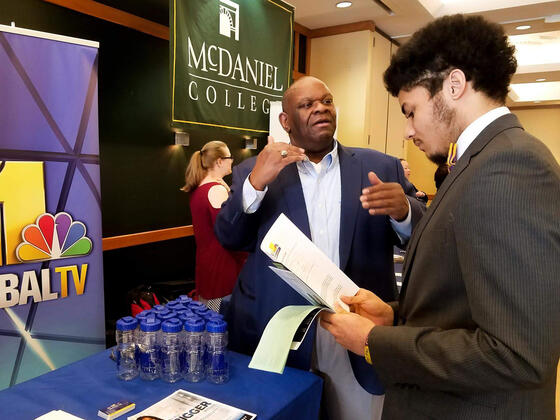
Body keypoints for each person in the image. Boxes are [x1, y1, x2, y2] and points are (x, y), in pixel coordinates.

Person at [320, 14, 560, 419]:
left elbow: (517, 352)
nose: (408, 131)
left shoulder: (508, 166)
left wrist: (374, 341)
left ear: (453, 85)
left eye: (410, 111)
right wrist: (394, 315)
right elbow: (461, 306)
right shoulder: (476, 162)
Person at [215, 76, 426, 420]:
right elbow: (228, 237)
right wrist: (255, 185)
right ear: (286, 121)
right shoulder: (253, 171)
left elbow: (422, 236)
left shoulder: (380, 167)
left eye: (326, 101)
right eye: (307, 105)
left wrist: (404, 211)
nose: (320, 109)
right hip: (283, 334)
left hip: (357, 329)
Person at [182, 141, 246, 311]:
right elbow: (230, 233)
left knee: (210, 322)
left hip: (207, 266)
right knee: (221, 325)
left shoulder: (199, 187)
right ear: (219, 161)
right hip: (222, 268)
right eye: (229, 157)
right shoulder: (216, 190)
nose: (232, 161)